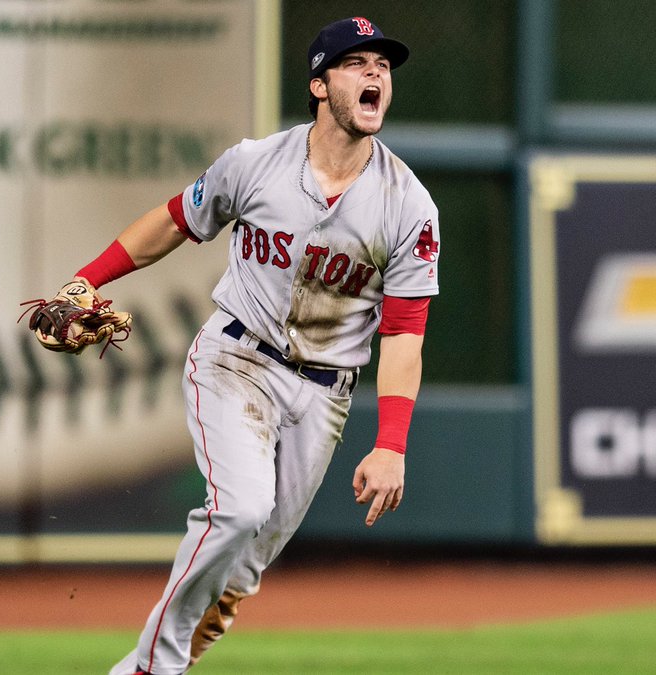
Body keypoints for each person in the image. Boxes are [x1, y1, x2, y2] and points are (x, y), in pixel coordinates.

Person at [65, 17, 440, 675]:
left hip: (324, 394)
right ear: (320, 84)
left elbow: (406, 332)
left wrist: (391, 443)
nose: (376, 73)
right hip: (237, 358)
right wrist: (88, 278)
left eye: (383, 64)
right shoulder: (255, 163)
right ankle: (151, 668)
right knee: (238, 509)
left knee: (239, 575)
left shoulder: (409, 205)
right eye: (357, 63)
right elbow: (174, 221)